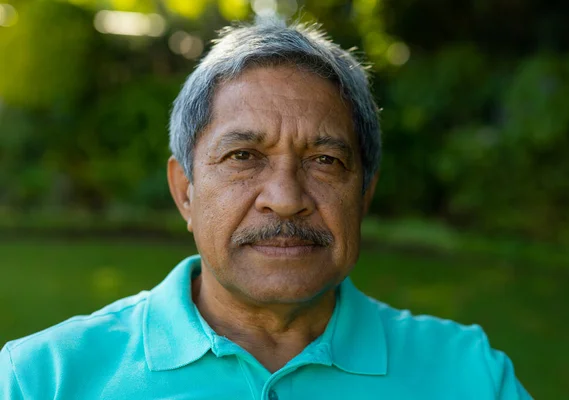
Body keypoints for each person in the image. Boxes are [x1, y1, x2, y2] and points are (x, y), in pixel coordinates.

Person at [0, 19, 532, 399]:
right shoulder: (42, 379)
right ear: (185, 190)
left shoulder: (470, 375)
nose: (286, 197)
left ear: (364, 194)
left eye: (324, 160)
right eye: (244, 157)